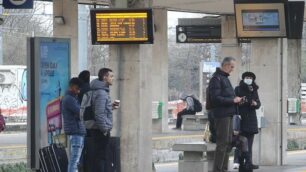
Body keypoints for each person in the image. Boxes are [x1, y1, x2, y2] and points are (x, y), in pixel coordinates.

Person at [209, 57, 242, 172]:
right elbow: (215, 98)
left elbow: (225, 96)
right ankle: (217, 170)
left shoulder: (224, 78)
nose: (232, 69)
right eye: (232, 67)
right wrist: (232, 100)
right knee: (222, 144)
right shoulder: (216, 79)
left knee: (228, 143)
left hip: (228, 114)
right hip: (221, 115)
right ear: (226, 65)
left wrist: (235, 99)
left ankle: (223, 169)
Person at [86, 68, 117, 172]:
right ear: (105, 77)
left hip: (96, 129)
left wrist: (110, 107)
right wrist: (104, 129)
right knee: (101, 157)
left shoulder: (97, 91)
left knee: (99, 156)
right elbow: (99, 114)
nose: (113, 78)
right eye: (111, 76)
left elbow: (100, 110)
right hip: (100, 130)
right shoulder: (101, 93)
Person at [233, 72, 261, 170]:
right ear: (243, 78)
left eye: (250, 77)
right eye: (247, 77)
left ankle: (249, 163)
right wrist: (241, 101)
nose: (248, 79)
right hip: (242, 119)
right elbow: (234, 102)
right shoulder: (238, 89)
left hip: (252, 120)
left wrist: (255, 103)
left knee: (249, 144)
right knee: (241, 143)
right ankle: (240, 163)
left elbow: (258, 103)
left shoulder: (254, 90)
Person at [62, 78, 86, 172]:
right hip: (76, 132)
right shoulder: (69, 99)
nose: (78, 91)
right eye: (77, 88)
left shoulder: (72, 98)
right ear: (71, 87)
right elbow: (80, 112)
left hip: (77, 131)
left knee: (76, 161)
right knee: (75, 161)